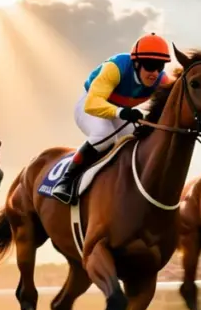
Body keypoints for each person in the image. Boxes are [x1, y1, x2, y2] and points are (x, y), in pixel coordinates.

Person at [50, 33, 173, 204]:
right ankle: (66, 180)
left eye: (160, 66)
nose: (155, 73)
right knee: (103, 134)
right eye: (150, 66)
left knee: (138, 140)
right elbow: (92, 104)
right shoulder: (115, 68)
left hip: (117, 111)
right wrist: (121, 112)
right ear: (136, 63)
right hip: (90, 105)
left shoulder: (161, 80)